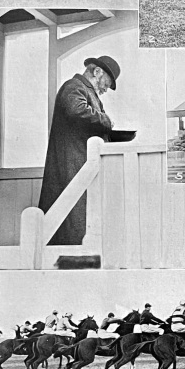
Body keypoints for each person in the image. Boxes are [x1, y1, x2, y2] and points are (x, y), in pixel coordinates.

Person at [38, 56, 120, 245]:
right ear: (97, 72)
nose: (105, 90)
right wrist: (107, 121)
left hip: (79, 164)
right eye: (106, 84)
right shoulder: (74, 86)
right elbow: (77, 111)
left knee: (76, 218)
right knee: (72, 219)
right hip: (72, 164)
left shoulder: (84, 90)